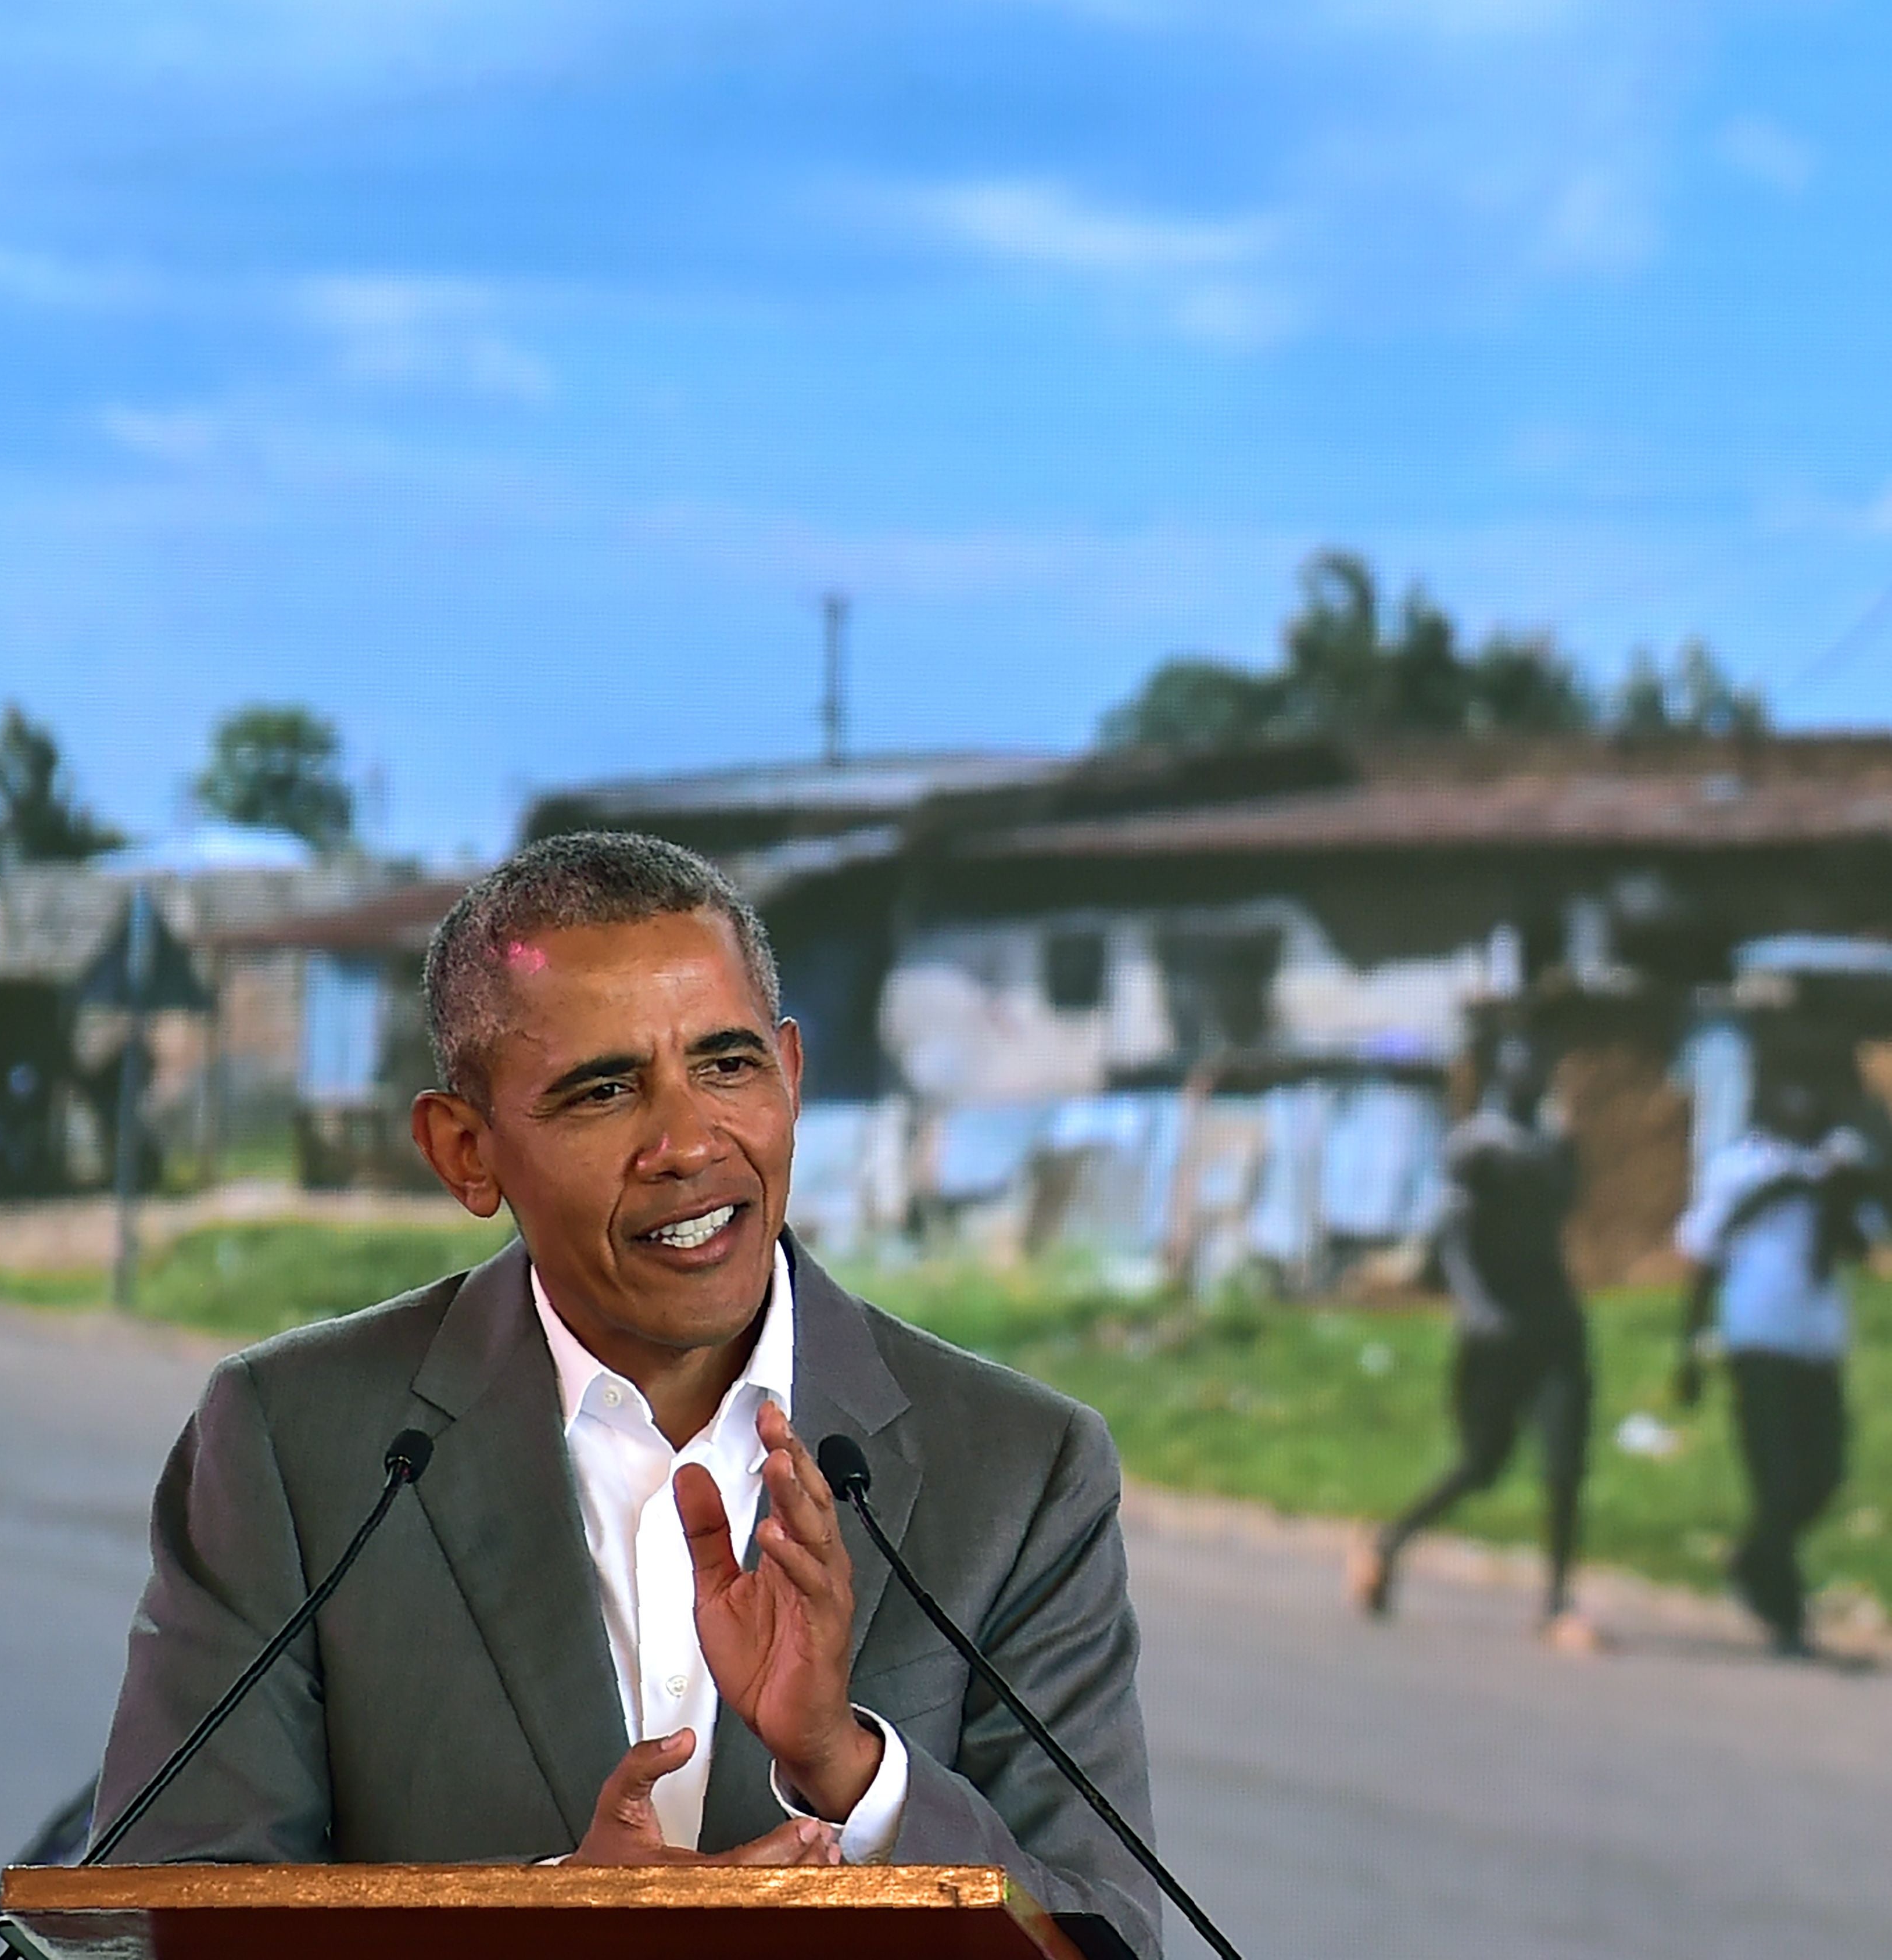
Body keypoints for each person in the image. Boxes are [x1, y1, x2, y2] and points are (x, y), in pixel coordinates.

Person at [94, 833, 1158, 1952]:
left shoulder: (1022, 1471)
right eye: (603, 1091)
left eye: (729, 1065)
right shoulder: (297, 1442)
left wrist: (853, 1771)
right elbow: (157, 1916)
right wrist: (553, 1914)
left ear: (792, 1081)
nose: (688, 1142)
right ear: (466, 1152)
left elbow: (1112, 1936)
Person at [1349, 1032, 1599, 1651]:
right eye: (1522, 1075)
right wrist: (1475, 1304)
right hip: (1494, 1328)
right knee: (1482, 1465)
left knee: (1565, 1463)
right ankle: (1388, 1542)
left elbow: (1565, 1205)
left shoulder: (1545, 1143)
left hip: (1553, 1320)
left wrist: (1565, 1150)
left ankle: (1557, 1601)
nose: (1532, 1084)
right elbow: (1459, 1223)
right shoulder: (1477, 1146)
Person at [1673, 1066, 1879, 1660]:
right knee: (1778, 1477)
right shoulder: (1739, 1168)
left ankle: (1750, 1559)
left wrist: (1839, 1192)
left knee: (1824, 1475)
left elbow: (1858, 1245)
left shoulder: (1831, 1173)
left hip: (1815, 1340)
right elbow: (1704, 1254)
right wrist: (1690, 1347)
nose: (1804, 1111)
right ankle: (1784, 1612)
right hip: (1756, 1336)